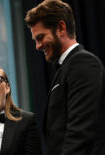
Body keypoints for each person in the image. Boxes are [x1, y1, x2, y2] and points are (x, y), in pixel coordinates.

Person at [25, 0, 105, 154]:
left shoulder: (83, 63)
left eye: (41, 37)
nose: (37, 46)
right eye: (35, 40)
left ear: (61, 28)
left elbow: (80, 132)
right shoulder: (66, 67)